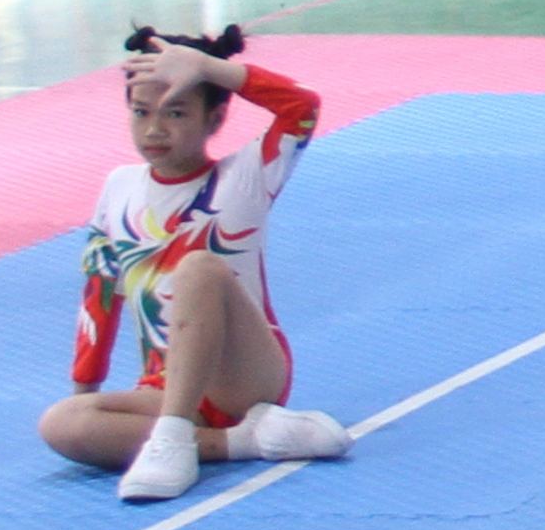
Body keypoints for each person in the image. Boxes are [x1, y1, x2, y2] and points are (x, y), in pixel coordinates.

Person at [43, 26, 350, 499]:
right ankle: (239, 441)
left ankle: (172, 439)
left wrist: (209, 69)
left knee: (198, 268)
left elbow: (302, 107)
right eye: (141, 112)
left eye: (177, 112)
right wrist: (89, 394)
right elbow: (100, 294)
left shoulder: (246, 176)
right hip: (162, 386)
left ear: (216, 118)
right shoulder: (119, 188)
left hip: (245, 375)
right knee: (60, 424)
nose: (155, 129)